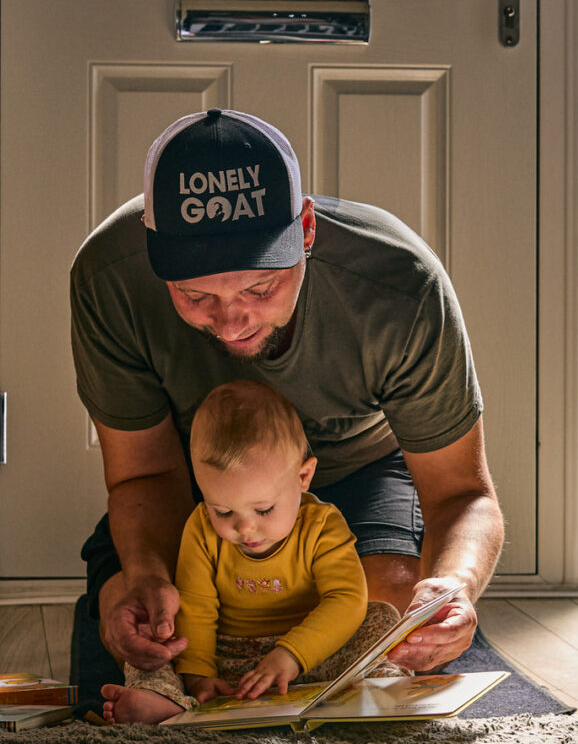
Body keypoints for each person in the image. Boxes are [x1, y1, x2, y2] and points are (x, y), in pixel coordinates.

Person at [72, 108, 503, 705]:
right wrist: (144, 575)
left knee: (393, 617)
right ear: (152, 252)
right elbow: (143, 472)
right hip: (203, 484)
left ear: (305, 229)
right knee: (134, 626)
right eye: (195, 295)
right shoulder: (107, 279)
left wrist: (452, 587)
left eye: (259, 288)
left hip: (359, 469)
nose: (230, 323)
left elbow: (462, 493)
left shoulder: (399, 284)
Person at [102, 380, 402, 725]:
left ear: (303, 476)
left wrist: (291, 654)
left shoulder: (322, 526)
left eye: (263, 510)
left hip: (310, 656)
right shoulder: (199, 529)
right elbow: (196, 606)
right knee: (152, 641)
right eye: (224, 512)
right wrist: (199, 674)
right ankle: (164, 700)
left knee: (381, 618)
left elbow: (345, 600)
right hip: (225, 657)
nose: (245, 529)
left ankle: (382, 686)